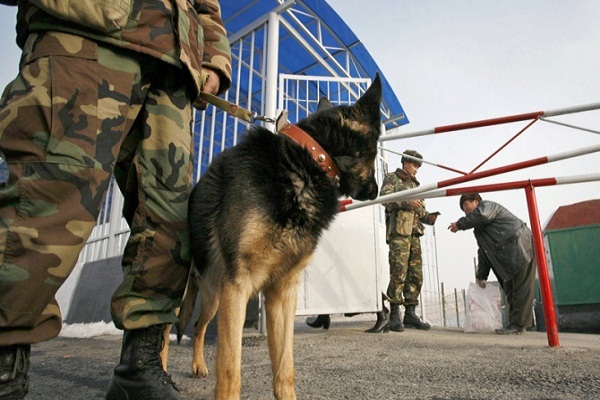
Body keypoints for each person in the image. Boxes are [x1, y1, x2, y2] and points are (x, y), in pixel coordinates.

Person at [0, 1, 231, 399]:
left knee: (170, 223)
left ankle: (139, 370)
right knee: (46, 204)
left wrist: (214, 58)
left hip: (173, 68)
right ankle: (5, 370)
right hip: (85, 32)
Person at [366, 150, 438, 333]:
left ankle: (410, 313)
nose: (416, 170)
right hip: (399, 233)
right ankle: (395, 314)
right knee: (399, 271)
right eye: (415, 165)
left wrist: (428, 217)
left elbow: (419, 211)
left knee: (415, 274)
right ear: (405, 162)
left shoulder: (416, 185)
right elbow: (385, 198)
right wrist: (407, 202)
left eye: (419, 167)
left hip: (414, 234)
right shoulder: (393, 178)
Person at [448, 193, 536, 335]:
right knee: (510, 290)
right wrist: (481, 275)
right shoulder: (479, 231)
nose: (465, 211)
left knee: (521, 288)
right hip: (507, 257)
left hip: (520, 246)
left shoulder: (487, 206)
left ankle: (518, 325)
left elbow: (481, 215)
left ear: (476, 201)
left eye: (466, 205)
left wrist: (459, 224)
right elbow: (484, 252)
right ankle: (517, 324)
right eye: (463, 209)